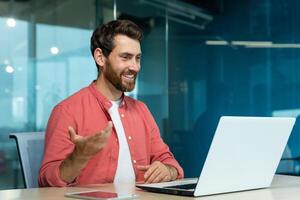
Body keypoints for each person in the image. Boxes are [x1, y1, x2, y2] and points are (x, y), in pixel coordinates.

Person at [38, 19, 184, 187]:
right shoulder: (67, 111)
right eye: (125, 57)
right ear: (100, 57)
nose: (135, 66)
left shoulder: (141, 110)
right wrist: (79, 156)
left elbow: (170, 162)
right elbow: (46, 181)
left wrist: (167, 170)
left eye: (137, 58)